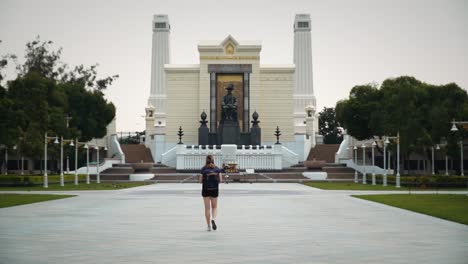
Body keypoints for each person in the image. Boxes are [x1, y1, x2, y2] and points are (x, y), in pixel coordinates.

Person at [199, 155, 223, 231]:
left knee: (207, 208)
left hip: (205, 189)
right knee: (214, 207)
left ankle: (208, 226)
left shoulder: (203, 169)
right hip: (215, 189)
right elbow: (221, 180)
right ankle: (213, 219)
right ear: (213, 160)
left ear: (206, 160)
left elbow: (200, 180)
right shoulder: (217, 169)